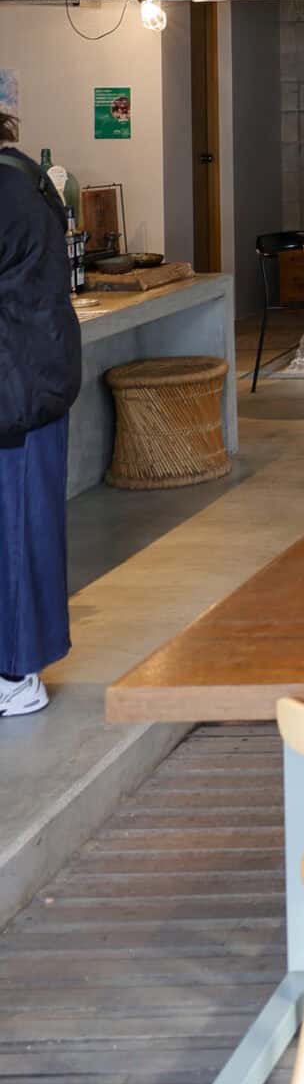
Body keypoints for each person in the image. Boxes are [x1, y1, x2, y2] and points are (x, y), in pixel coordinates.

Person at [0, 106, 80, 719]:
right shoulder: (21, 176)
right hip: (28, 377)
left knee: (19, 535)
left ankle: (16, 675)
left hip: (18, 388)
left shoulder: (9, 190)